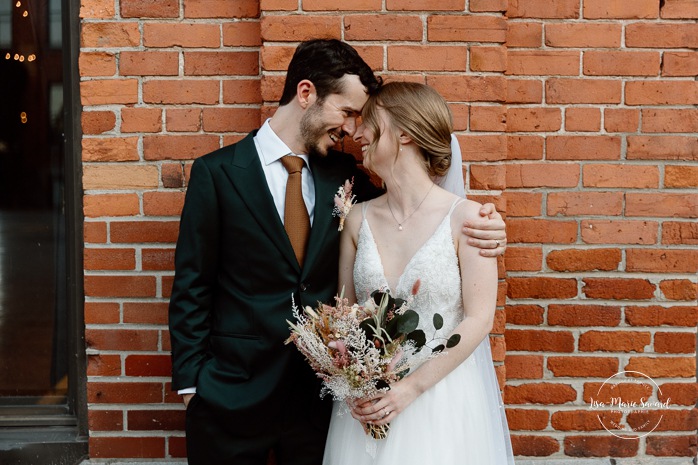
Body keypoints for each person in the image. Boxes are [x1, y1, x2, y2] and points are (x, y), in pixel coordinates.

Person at [168, 39, 508, 465]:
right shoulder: (216, 174)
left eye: (361, 120)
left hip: (320, 408)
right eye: (347, 113)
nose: (352, 130)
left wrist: (489, 229)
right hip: (231, 396)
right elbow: (192, 285)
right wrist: (193, 388)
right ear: (306, 93)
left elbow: (419, 210)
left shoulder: (346, 177)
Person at [323, 82, 515, 464]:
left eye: (370, 122)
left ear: (405, 132)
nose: (357, 133)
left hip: (440, 398)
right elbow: (343, 314)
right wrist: (356, 382)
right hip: (368, 404)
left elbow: (479, 319)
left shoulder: (470, 220)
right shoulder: (356, 219)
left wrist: (409, 389)